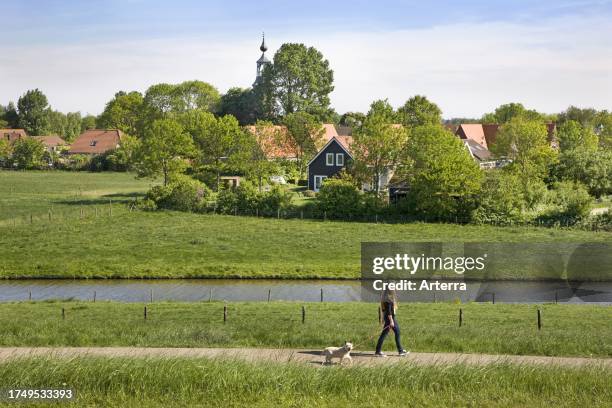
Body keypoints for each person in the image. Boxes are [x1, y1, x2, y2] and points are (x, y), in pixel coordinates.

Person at [375, 288, 409, 357]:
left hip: (389, 319)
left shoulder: (385, 298)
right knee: (396, 333)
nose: (395, 290)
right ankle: (400, 351)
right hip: (390, 319)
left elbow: (383, 310)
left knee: (386, 334)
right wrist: (391, 321)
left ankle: (378, 351)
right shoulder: (388, 299)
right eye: (393, 289)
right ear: (390, 291)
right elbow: (389, 311)